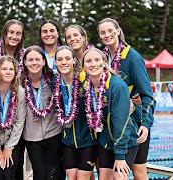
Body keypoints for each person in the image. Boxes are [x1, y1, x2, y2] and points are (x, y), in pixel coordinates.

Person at [97, 18, 156, 180]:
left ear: (118, 31)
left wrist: (145, 123)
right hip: (114, 124)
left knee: (138, 171)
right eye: (102, 32)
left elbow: (147, 95)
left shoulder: (132, 57)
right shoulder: (103, 57)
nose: (107, 35)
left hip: (135, 124)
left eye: (110, 31)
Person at [82, 47, 139, 180]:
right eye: (89, 61)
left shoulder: (117, 86)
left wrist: (120, 156)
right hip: (106, 142)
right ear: (84, 67)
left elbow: (120, 123)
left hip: (126, 142)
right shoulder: (87, 87)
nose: (93, 64)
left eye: (97, 60)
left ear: (104, 62)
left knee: (119, 178)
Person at [54, 46, 98, 180]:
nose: (64, 62)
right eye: (60, 59)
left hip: (88, 141)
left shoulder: (86, 81)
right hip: (67, 142)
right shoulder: (55, 84)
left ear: (74, 60)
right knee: (72, 177)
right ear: (55, 63)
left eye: (67, 58)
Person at [21, 46, 62, 180]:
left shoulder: (54, 79)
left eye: (37, 59)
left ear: (44, 61)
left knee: (53, 174)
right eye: (30, 60)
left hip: (53, 134)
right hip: (32, 138)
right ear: (25, 62)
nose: (34, 63)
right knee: (39, 175)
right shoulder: (19, 83)